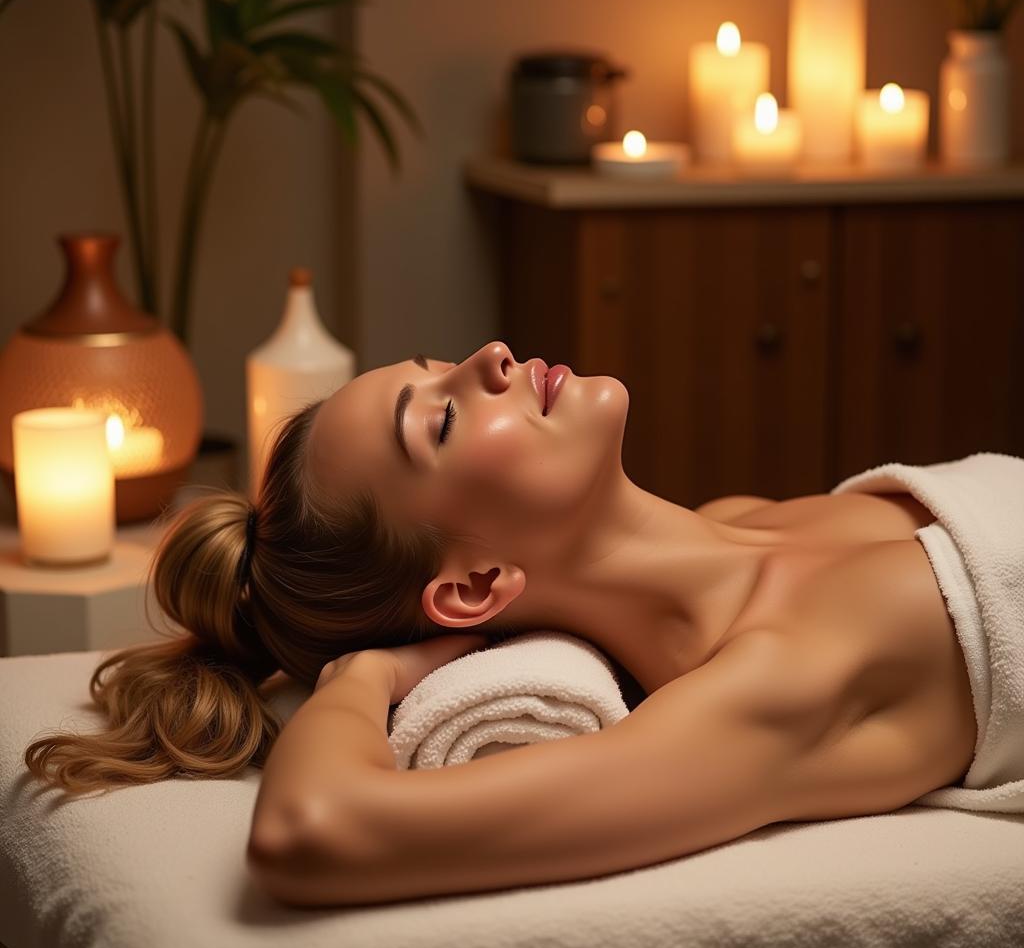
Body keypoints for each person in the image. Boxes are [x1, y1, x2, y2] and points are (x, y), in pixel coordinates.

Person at [24, 341, 976, 847]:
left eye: (436, 367)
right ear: (475, 587)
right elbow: (308, 827)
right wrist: (364, 679)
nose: (488, 357)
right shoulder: (766, 686)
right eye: (440, 418)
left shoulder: (746, 518)